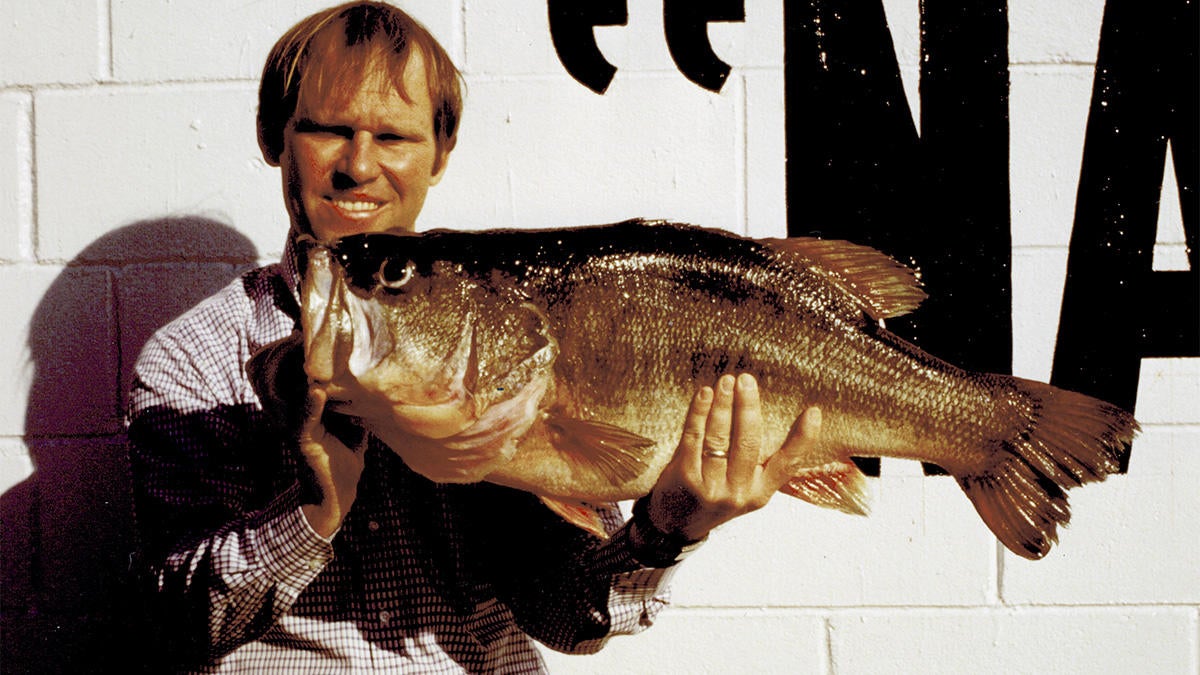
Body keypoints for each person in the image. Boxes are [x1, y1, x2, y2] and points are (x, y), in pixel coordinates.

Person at [126, 1, 823, 672]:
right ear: (272, 135)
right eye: (327, 129)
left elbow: (570, 619)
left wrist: (666, 529)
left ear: (440, 152)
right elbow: (168, 627)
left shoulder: (500, 333)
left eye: (394, 136)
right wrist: (311, 510)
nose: (359, 165)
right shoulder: (191, 360)